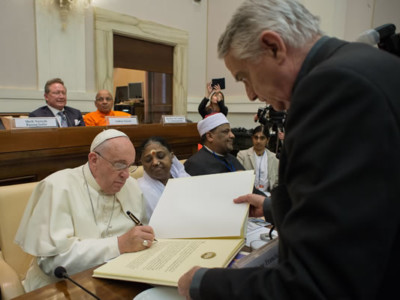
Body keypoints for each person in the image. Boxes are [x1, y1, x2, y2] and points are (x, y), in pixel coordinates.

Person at [178, 0, 400, 299]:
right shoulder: (366, 64)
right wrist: (272, 207)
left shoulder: (332, 90)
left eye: (244, 77)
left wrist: (203, 284)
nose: (251, 94)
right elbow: (358, 202)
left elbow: (318, 286)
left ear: (273, 46)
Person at [15, 129, 155, 292]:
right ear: (94, 160)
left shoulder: (130, 185)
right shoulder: (58, 187)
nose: (125, 175)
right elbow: (52, 262)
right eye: (119, 165)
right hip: (61, 288)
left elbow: (139, 235)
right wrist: (119, 244)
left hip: (119, 281)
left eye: (129, 166)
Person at [137, 136, 190, 220]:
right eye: (148, 159)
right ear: (142, 163)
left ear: (171, 156)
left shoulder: (184, 178)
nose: (155, 162)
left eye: (161, 156)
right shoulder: (138, 190)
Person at [237, 125, 279, 196]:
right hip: (248, 195)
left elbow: (277, 183)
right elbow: (238, 180)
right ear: (252, 138)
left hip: (268, 197)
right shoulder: (242, 155)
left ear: (267, 140)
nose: (258, 141)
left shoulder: (274, 158)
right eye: (256, 137)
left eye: (262, 138)